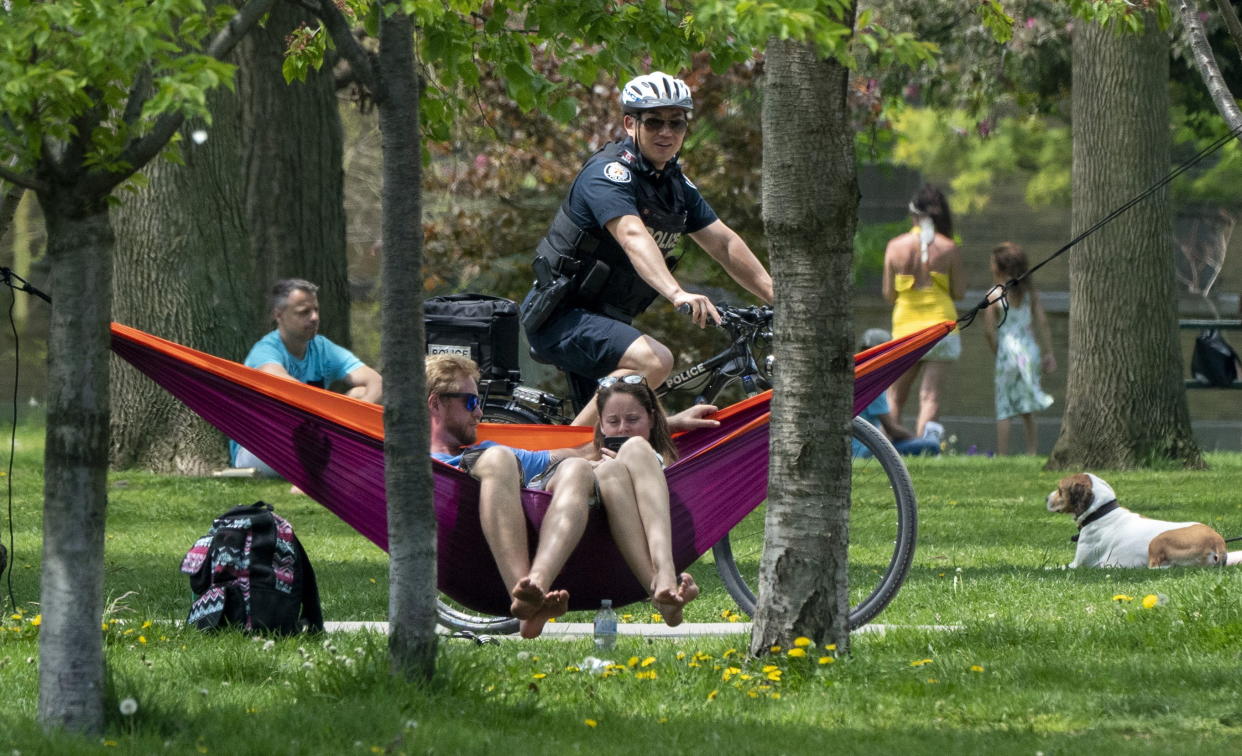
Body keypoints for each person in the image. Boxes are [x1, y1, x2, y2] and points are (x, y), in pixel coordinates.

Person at [520, 71, 774, 427]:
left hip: (608, 321)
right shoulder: (607, 175)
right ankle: (567, 453)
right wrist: (677, 293)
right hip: (561, 317)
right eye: (654, 122)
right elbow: (632, 235)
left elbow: (723, 242)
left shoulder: (674, 185)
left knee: (648, 438)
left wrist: (778, 297)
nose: (666, 132)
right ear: (630, 123)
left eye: (677, 123)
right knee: (653, 361)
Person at [427, 354, 598, 639]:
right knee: (498, 458)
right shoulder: (407, 461)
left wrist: (663, 426)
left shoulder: (487, 451)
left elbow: (572, 453)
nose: (479, 413)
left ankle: (529, 598)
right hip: (455, 556)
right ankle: (524, 595)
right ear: (435, 403)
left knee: (570, 466)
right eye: (470, 402)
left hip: (491, 557)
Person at [231, 278, 383, 475]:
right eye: (304, 312)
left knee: (361, 393)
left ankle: (332, 460)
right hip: (259, 448)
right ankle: (328, 466)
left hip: (312, 438)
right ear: (279, 315)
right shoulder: (265, 351)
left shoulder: (322, 348)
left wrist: (359, 414)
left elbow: (376, 382)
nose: (314, 318)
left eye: (316, 310)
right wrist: (340, 419)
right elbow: (288, 390)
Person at [586, 374, 699, 626]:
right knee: (609, 470)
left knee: (635, 447)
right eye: (613, 421)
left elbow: (640, 444)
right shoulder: (593, 459)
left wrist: (674, 422)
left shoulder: (649, 454)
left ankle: (664, 577)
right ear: (602, 426)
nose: (623, 428)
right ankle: (663, 591)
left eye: (633, 419)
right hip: (593, 542)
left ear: (651, 418)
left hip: (636, 541)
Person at [883, 184, 965, 437]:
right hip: (941, 329)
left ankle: (889, 450)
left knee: (895, 395)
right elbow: (960, 292)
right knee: (930, 396)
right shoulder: (949, 248)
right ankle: (923, 450)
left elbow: (889, 294)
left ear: (912, 214)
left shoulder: (895, 246)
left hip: (906, 329)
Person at [983, 243, 1055, 455]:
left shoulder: (995, 294)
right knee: (1027, 403)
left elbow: (988, 330)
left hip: (1007, 351)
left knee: (1004, 405)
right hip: (1029, 350)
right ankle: (1032, 450)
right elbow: (1042, 322)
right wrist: (1049, 352)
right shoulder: (1030, 293)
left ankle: (1003, 454)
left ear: (999, 268)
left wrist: (997, 352)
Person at [854, 329, 941, 458]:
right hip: (865, 451)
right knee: (931, 445)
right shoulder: (874, 384)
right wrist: (915, 439)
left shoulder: (856, 376)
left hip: (853, 448)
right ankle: (931, 434)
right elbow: (891, 429)